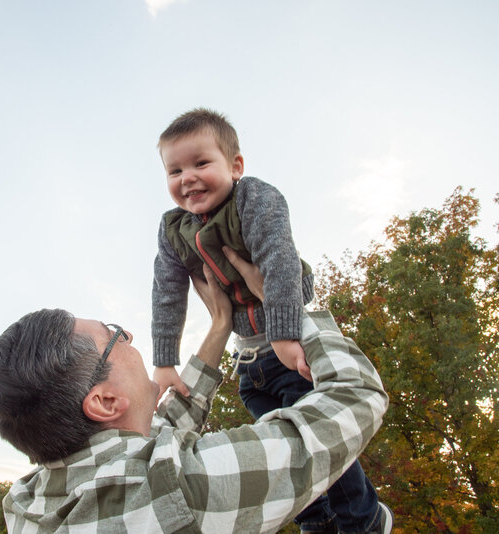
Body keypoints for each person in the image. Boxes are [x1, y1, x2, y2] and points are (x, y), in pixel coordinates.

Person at [0, 253, 393, 533]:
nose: (131, 338)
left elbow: (155, 433)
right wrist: (286, 302)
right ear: (104, 401)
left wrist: (219, 326)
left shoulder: (27, 503)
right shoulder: (178, 490)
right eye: (116, 336)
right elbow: (355, 397)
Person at [151, 108, 388, 533]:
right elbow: (167, 292)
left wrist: (284, 333)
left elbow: (279, 261)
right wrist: (165, 359)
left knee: (319, 433)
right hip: (250, 359)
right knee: (280, 440)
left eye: (201, 163)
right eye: (175, 170)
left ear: (235, 166)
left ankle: (363, 519)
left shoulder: (254, 199)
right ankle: (315, 520)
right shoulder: (174, 231)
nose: (187, 177)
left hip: (291, 338)